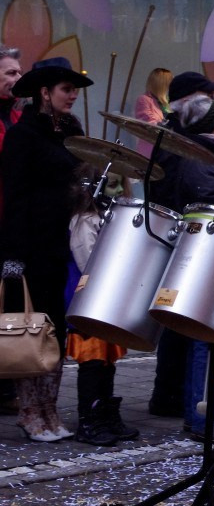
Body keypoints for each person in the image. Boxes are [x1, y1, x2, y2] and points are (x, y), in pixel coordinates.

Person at [0, 57, 93, 442]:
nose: (72, 95)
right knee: (30, 327)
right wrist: (13, 256)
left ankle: (51, 410)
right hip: (31, 243)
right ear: (44, 92)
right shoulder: (25, 135)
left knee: (55, 327)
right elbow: (15, 196)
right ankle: (30, 412)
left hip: (62, 242)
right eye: (65, 89)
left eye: (73, 89)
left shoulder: (71, 131)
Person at [150, 92, 214, 440]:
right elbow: (213, 202)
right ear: (212, 125)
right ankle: (200, 418)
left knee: (203, 337)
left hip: (206, 250)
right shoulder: (203, 159)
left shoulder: (207, 155)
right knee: (202, 336)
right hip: (208, 252)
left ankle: (202, 413)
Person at [145, 72, 214, 423]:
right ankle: (178, 400)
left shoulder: (175, 137)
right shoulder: (181, 143)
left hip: (178, 234)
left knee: (175, 322)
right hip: (185, 236)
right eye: (207, 94)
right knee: (183, 322)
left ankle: (168, 397)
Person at [67, 165, 140, 447]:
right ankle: (89, 420)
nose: (120, 191)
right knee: (94, 361)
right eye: (112, 185)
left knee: (107, 361)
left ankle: (106, 415)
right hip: (90, 302)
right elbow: (88, 262)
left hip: (106, 301)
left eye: (121, 185)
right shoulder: (86, 220)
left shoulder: (105, 218)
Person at [0, 45, 21, 415]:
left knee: (11, 303)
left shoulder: (18, 118)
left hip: (15, 230)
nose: (17, 79)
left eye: (19, 72)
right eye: (9, 73)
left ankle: (6, 384)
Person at [133, 68, 172, 158]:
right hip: (151, 150)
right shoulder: (144, 100)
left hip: (168, 151)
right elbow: (147, 124)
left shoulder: (169, 103)